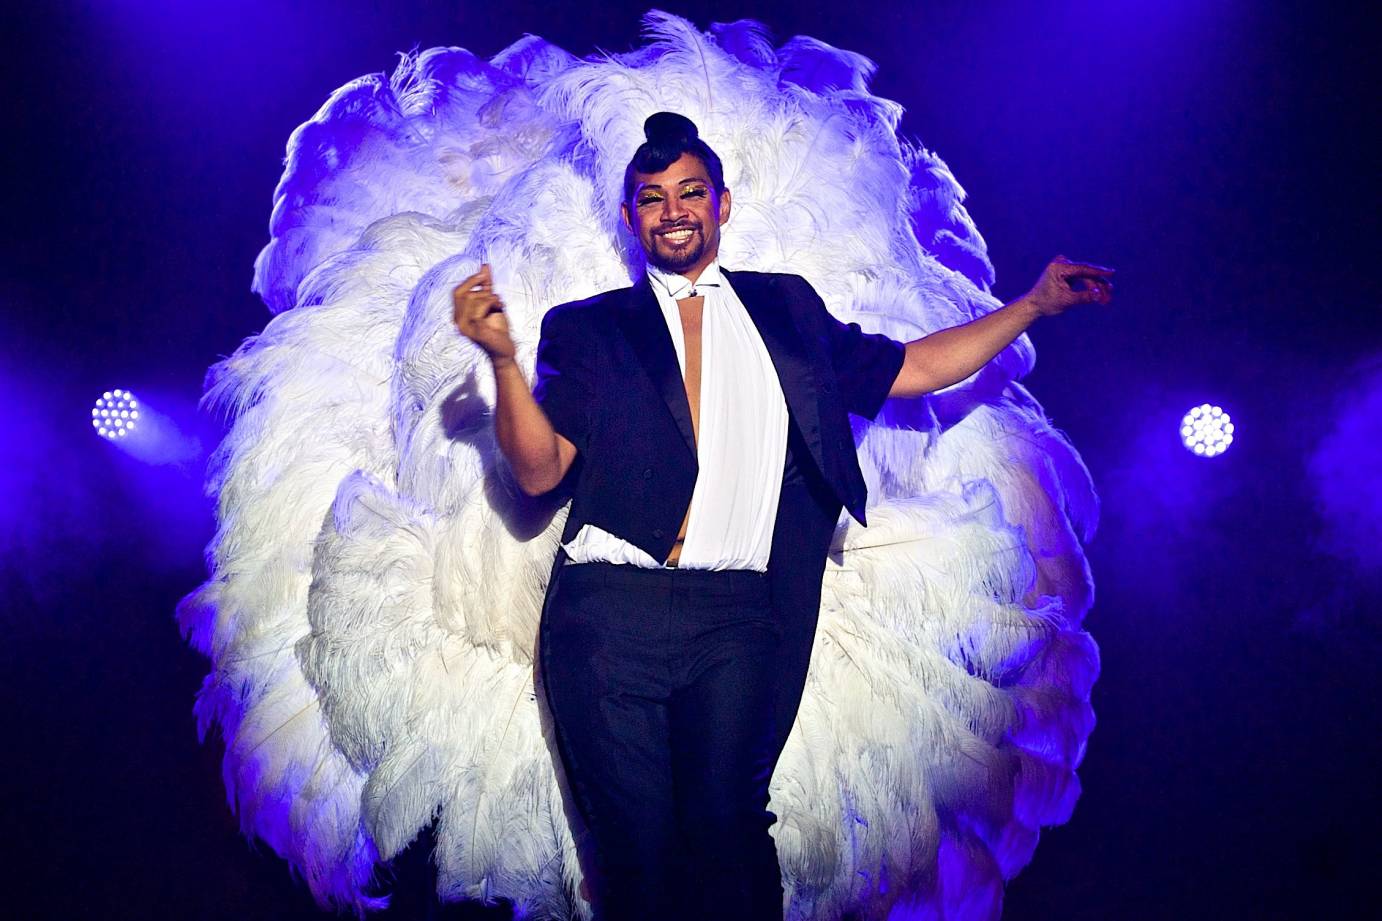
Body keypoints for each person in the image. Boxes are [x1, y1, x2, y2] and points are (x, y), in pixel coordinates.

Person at [452, 112, 1112, 921]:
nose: (674, 210)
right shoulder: (589, 327)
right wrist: (503, 360)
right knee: (635, 853)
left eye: (691, 192)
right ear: (630, 219)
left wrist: (1033, 305)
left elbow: (917, 367)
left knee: (730, 830)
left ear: (722, 205)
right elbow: (538, 470)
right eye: (652, 198)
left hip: (737, 615)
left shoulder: (787, 311)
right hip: (606, 615)